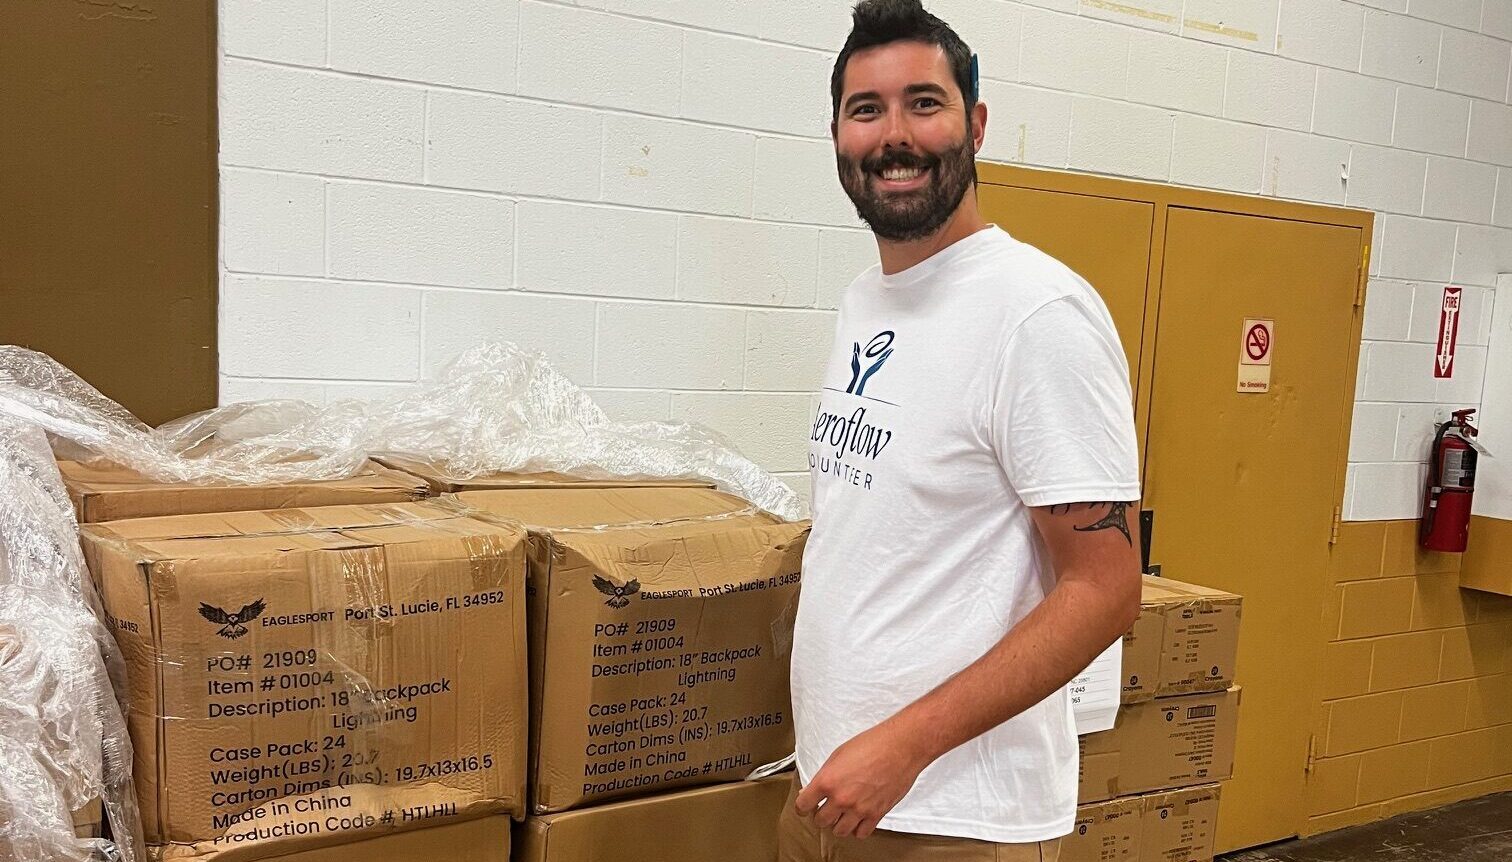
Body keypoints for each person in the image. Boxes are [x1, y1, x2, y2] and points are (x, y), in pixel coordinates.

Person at [781, 1, 1143, 859]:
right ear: (836, 132)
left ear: (974, 124)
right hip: (829, 790)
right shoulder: (866, 299)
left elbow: (1104, 590)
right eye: (866, 110)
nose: (893, 135)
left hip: (956, 818)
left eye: (924, 103)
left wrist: (901, 749)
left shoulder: (1037, 315)